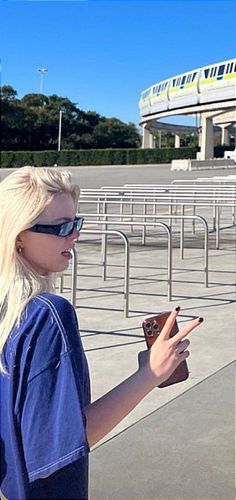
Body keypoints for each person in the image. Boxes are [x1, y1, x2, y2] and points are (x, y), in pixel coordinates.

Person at [0, 166, 203, 500]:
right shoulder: (47, 316)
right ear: (18, 235)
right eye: (61, 227)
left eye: (76, 223)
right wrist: (150, 373)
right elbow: (66, 443)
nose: (74, 235)